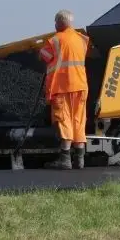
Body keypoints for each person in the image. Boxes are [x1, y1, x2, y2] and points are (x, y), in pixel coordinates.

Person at [38, 10, 91, 169]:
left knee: (65, 120)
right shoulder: (82, 40)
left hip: (62, 87)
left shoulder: (55, 40)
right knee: (79, 121)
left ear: (59, 23)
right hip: (81, 86)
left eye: (55, 22)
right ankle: (80, 160)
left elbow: (43, 56)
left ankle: (65, 159)